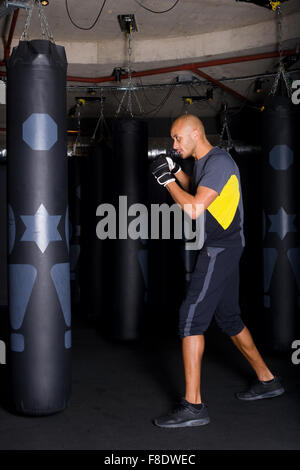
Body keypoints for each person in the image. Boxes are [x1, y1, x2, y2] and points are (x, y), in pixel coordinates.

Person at [150, 114, 284, 428]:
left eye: (177, 138)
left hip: (221, 247)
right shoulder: (205, 163)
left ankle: (193, 406)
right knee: (228, 318)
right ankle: (268, 380)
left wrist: (167, 182)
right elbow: (199, 192)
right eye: (172, 139)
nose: (174, 144)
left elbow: (195, 209)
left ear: (196, 133)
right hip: (227, 244)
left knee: (190, 318)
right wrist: (177, 172)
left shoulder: (220, 162)